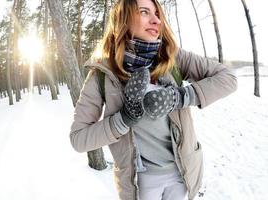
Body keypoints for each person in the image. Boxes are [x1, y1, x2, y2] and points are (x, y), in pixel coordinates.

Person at [69, 0, 237, 199]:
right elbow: (78, 139)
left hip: (182, 174)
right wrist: (123, 119)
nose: (156, 20)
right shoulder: (102, 75)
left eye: (157, 13)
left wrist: (180, 97)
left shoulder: (172, 58)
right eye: (144, 12)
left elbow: (228, 79)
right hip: (140, 183)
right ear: (122, 19)